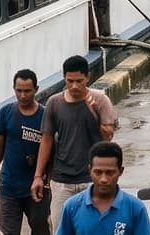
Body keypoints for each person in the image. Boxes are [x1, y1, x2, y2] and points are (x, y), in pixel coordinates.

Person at [32, 55, 117, 226]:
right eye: (70, 81)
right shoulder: (54, 103)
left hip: (91, 179)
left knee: (93, 229)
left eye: (79, 80)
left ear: (88, 77)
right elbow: (46, 140)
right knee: (60, 232)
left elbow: (108, 137)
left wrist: (94, 112)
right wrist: (38, 176)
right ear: (64, 78)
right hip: (62, 179)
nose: (74, 86)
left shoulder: (101, 101)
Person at [0, 69, 49, 235]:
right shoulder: (6, 113)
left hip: (36, 187)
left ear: (36, 90)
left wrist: (46, 177)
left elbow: (51, 148)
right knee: (8, 234)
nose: (23, 95)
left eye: (27, 91)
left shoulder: (45, 115)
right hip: (10, 186)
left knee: (40, 229)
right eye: (19, 90)